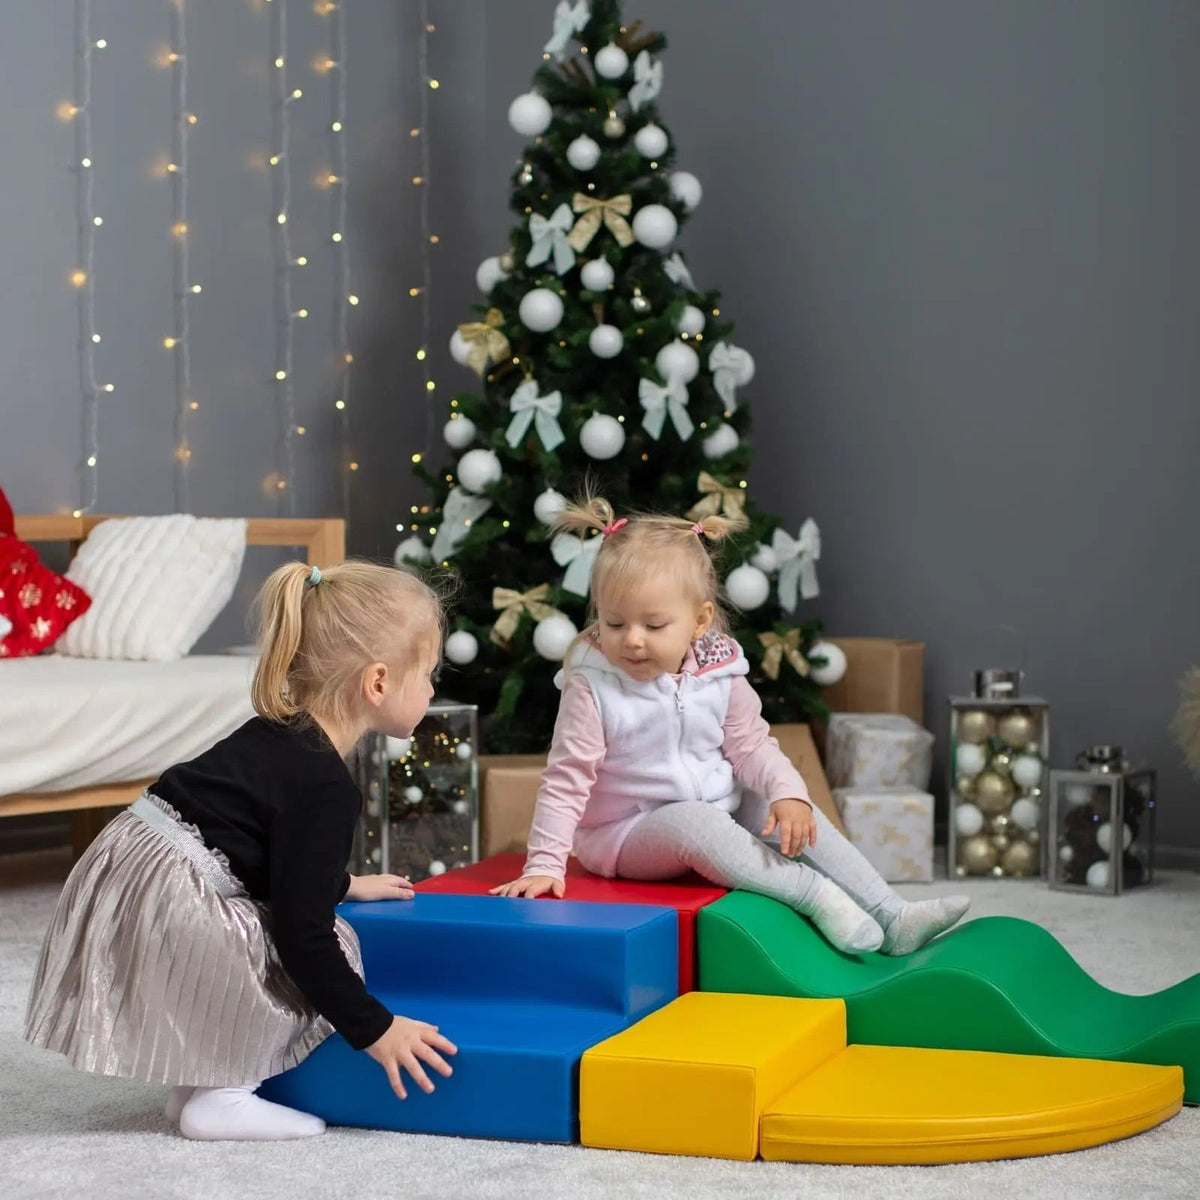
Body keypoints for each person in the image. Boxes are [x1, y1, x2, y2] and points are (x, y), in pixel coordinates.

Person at [24, 560, 457, 1141]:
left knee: (283, 921)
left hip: (129, 870)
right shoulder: (325, 785)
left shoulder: (278, 733)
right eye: (429, 673)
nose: (432, 689)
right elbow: (304, 936)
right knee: (328, 945)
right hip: (168, 893)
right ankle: (225, 1094)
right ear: (377, 682)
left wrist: (344, 882)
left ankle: (196, 1080)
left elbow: (261, 850)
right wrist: (375, 1028)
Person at [491, 495, 969, 956]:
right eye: (614, 624)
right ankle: (816, 897)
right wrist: (546, 863)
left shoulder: (719, 670)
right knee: (694, 821)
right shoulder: (593, 685)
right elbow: (566, 778)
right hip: (624, 834)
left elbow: (751, 745)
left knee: (780, 802)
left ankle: (892, 913)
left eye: (654, 626)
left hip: (715, 806)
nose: (632, 641)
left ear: (698, 622)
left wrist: (788, 793)